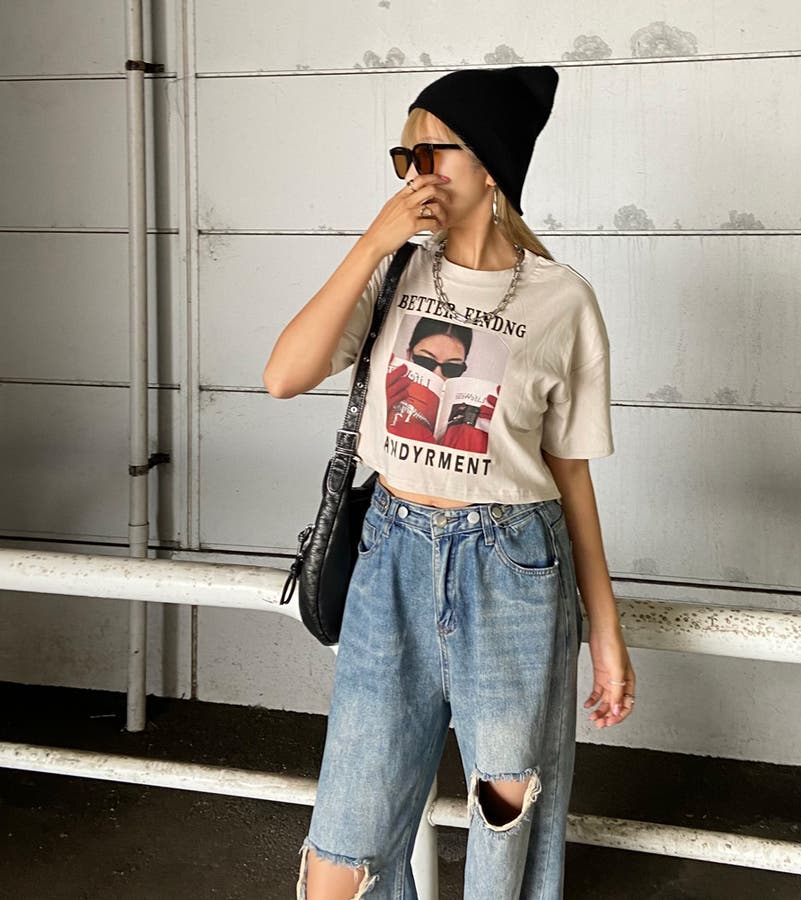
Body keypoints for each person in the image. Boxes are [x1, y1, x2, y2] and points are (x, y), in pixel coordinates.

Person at [263, 64, 636, 900]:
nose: (415, 174)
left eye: (434, 153)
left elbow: (571, 476)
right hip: (390, 560)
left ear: (491, 167)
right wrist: (372, 243)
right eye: (406, 156)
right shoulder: (393, 273)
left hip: (512, 570)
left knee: (507, 825)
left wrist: (605, 630)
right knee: (341, 856)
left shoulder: (563, 302)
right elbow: (282, 376)